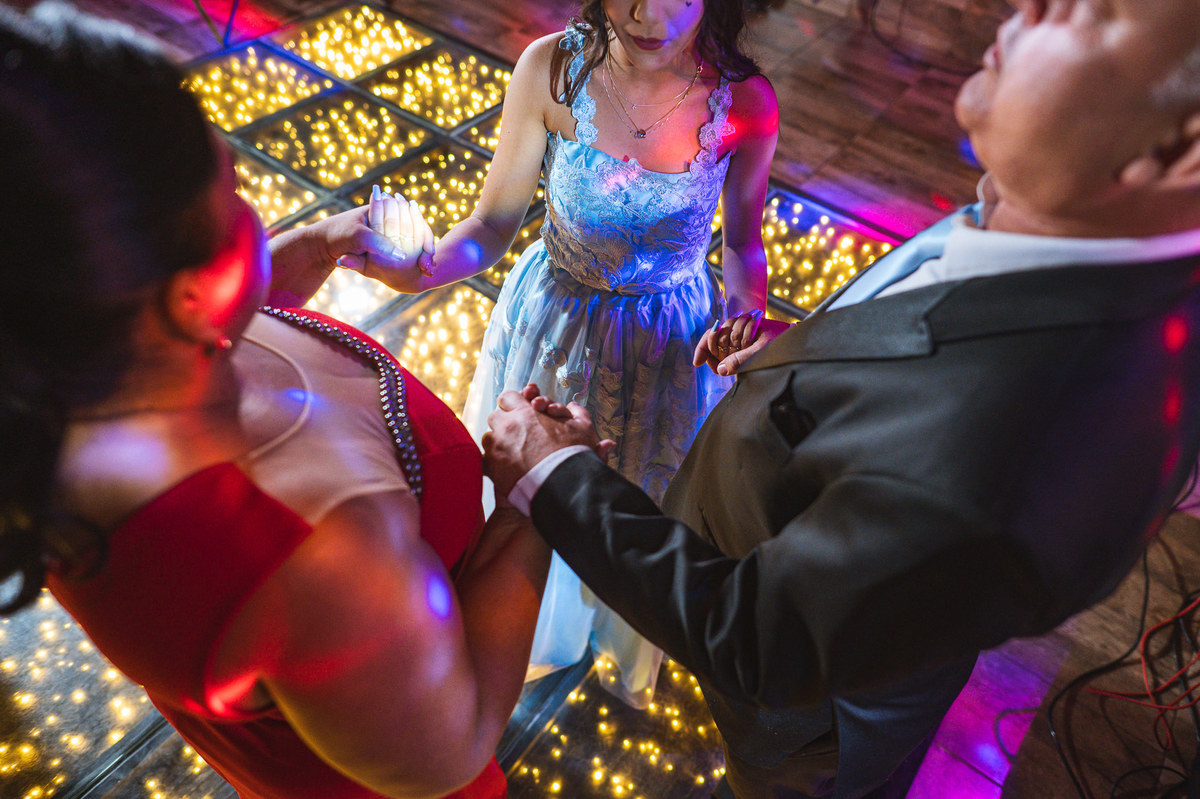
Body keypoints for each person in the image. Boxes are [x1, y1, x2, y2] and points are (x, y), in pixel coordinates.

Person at [481, 0, 1200, 796]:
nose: (1022, 11)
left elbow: (762, 639)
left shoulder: (1039, 426)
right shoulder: (1039, 223)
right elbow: (900, 374)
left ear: (1185, 148)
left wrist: (556, 476)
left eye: (1088, 11)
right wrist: (803, 356)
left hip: (804, 733)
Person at [0, 5, 550, 798]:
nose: (256, 217)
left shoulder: (62, 371)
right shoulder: (320, 558)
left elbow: (237, 320)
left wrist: (319, 244)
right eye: (234, 204)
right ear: (189, 298)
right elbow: (455, 746)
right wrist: (531, 499)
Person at [350, 0, 778, 704]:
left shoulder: (745, 103)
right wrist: (421, 268)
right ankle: (517, 629)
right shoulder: (551, 69)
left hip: (671, 345)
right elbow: (491, 223)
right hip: (558, 329)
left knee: (639, 502)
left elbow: (743, 243)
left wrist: (743, 310)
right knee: (535, 498)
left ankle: (614, 629)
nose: (644, 13)